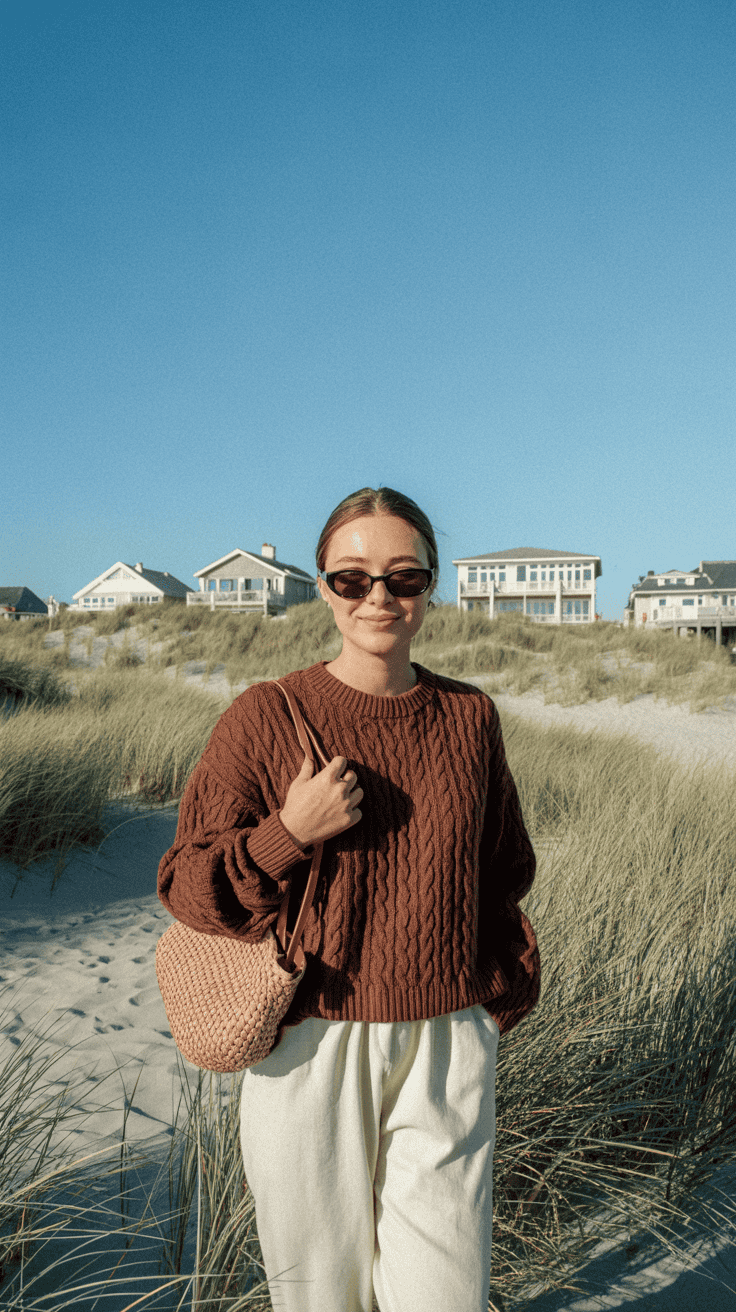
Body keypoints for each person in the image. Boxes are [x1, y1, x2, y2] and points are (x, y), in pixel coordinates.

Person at [158, 486, 540, 1312]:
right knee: (320, 1297)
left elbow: (505, 868)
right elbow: (187, 886)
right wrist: (288, 831)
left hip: (446, 1043)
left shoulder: (470, 717)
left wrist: (491, 1000)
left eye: (403, 578)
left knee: (446, 1295)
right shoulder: (265, 717)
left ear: (430, 587)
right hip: (311, 1049)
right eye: (352, 578)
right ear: (324, 585)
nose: (379, 598)